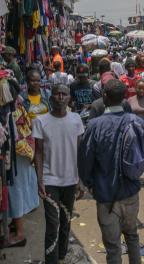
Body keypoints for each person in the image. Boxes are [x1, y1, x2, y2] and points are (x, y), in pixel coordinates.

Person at [78, 80, 144, 264]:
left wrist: (90, 183)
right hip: (130, 192)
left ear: (104, 97)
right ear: (124, 98)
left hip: (105, 195)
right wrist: (137, 167)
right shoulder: (137, 122)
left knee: (113, 247)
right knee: (132, 238)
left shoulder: (94, 125)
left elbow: (84, 160)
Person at [33, 84, 86, 264]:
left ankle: (61, 258)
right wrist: (39, 180)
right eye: (57, 94)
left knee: (65, 223)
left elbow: (80, 150)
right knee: (52, 225)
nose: (61, 97)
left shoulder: (76, 119)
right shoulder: (40, 121)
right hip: (50, 180)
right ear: (51, 97)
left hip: (70, 180)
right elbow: (38, 152)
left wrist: (80, 179)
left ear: (69, 97)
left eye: (64, 94)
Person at [8, 70, 50, 247]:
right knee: (26, 181)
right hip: (27, 145)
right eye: (32, 80)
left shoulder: (44, 96)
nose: (36, 83)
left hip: (25, 148)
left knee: (20, 186)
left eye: (38, 80)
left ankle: (20, 233)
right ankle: (22, 218)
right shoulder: (20, 103)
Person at [128, 79, 144, 190]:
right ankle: (135, 177)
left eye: (143, 88)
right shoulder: (130, 100)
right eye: (139, 88)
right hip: (133, 131)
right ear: (135, 89)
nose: (141, 90)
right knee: (134, 154)